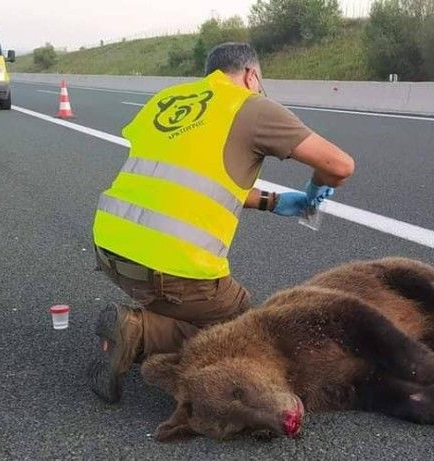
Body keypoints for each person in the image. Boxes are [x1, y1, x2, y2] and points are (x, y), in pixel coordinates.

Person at [88, 42, 355, 403]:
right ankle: (139, 332)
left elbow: (196, 177)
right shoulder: (251, 106)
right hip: (168, 268)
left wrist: (273, 202)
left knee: (188, 298)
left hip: (110, 249)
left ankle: (156, 311)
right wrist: (313, 191)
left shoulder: (170, 99)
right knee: (239, 321)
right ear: (251, 75)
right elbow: (339, 165)